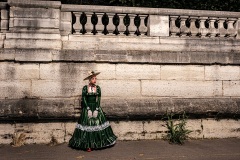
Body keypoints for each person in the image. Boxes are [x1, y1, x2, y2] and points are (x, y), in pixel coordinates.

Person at [69, 71, 117, 152]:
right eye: (93, 78)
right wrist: (87, 108)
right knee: (87, 125)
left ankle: (99, 143)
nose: (95, 80)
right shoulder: (85, 88)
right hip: (87, 108)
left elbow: (98, 99)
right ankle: (88, 145)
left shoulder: (98, 88)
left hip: (95, 107)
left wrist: (97, 109)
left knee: (97, 123)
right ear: (90, 79)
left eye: (95, 78)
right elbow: (84, 98)